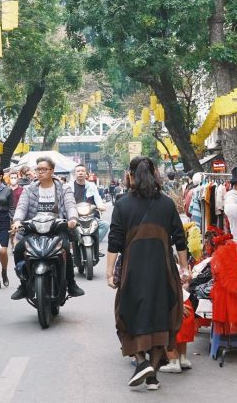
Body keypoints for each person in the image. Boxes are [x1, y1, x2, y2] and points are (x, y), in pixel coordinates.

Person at [106, 156, 189, 390]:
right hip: (162, 269)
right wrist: (184, 268)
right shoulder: (167, 203)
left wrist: (109, 272)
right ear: (155, 175)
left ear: (130, 176)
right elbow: (180, 239)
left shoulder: (122, 204)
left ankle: (142, 362)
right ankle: (151, 375)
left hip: (133, 270)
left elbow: (114, 241)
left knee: (128, 314)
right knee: (162, 315)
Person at [10, 156, 85, 300]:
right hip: (33, 230)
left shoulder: (63, 188)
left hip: (56, 229)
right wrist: (17, 221)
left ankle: (71, 284)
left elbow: (70, 205)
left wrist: (73, 219)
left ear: (52, 170)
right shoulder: (29, 189)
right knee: (19, 249)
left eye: (44, 169)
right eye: (38, 169)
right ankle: (23, 285)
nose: (40, 172)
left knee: (65, 249)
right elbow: (21, 207)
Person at [70, 164, 109, 252]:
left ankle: (94, 245)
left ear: (86, 174)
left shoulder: (91, 185)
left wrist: (101, 206)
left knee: (105, 225)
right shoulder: (69, 186)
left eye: (82, 171)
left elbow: (97, 198)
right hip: (74, 217)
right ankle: (71, 248)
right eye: (78, 171)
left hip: (90, 216)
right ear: (74, 174)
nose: (80, 173)